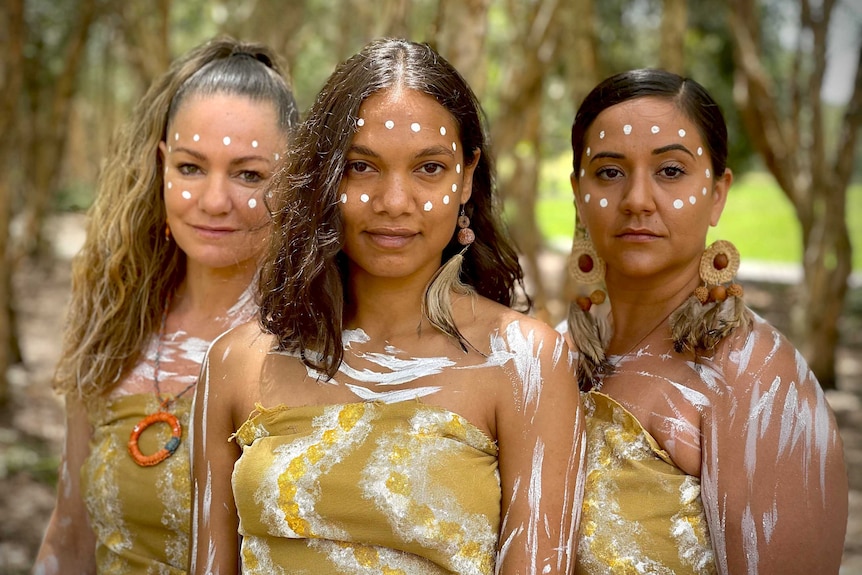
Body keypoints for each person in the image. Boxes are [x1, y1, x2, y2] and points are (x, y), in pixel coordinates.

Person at [190, 38, 585, 575]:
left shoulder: (526, 364)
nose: (394, 201)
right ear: (326, 177)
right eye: (361, 167)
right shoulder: (235, 364)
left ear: (466, 177)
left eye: (428, 169)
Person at [564, 68, 848, 574]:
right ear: (578, 192)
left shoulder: (759, 379)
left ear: (718, 193)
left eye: (671, 171)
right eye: (609, 172)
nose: (637, 199)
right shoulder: (553, 352)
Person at [34, 36, 299, 574]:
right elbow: (70, 535)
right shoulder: (114, 322)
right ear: (161, 166)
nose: (214, 201)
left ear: (294, 181)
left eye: (249, 174)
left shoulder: (316, 341)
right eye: (191, 168)